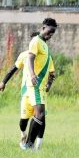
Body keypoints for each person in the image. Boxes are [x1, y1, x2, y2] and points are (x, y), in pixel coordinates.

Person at [0, 32, 47, 148]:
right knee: (23, 120)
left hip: (40, 91)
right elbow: (13, 69)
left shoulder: (45, 55)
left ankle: (38, 145)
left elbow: (51, 72)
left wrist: (49, 83)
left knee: (41, 116)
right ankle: (23, 135)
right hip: (26, 93)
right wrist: (3, 81)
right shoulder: (25, 55)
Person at [24, 18, 58, 150]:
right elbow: (30, 59)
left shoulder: (44, 44)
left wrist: (49, 83)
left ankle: (28, 144)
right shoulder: (36, 41)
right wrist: (32, 74)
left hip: (42, 86)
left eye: (52, 33)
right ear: (43, 28)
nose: (50, 35)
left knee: (40, 115)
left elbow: (49, 68)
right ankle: (29, 145)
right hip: (35, 84)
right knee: (39, 114)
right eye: (49, 32)